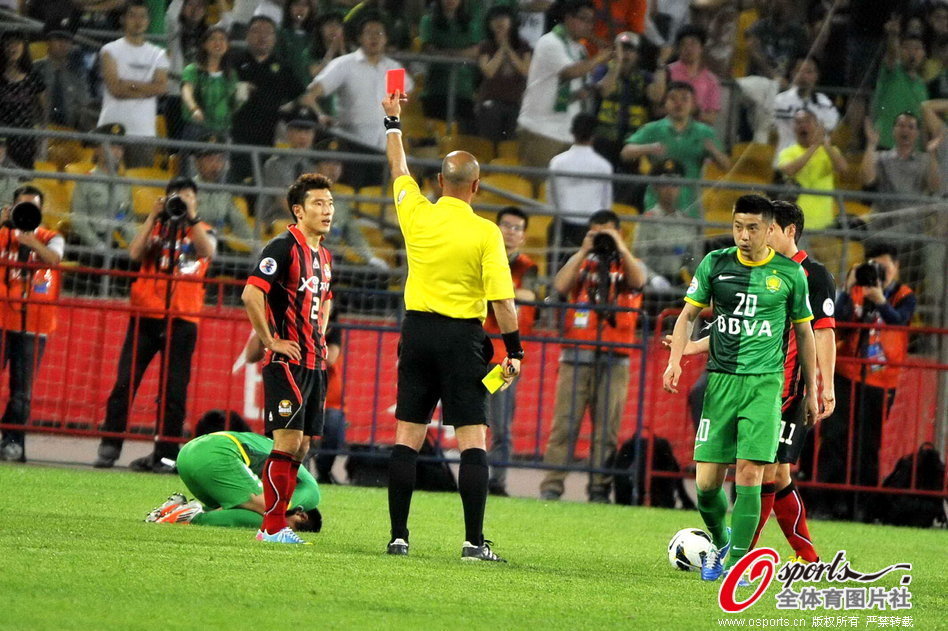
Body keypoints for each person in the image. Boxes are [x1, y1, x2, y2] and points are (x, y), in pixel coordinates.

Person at [381, 91, 522, 561]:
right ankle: (472, 542)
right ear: (476, 187)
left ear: (440, 181)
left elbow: (399, 170)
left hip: (417, 333)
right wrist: (514, 351)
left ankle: (399, 537)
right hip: (463, 340)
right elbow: (502, 303)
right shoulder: (486, 233)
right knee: (471, 440)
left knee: (407, 436)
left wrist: (392, 121)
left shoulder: (417, 213)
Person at [663, 194, 820, 583]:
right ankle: (722, 541)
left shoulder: (790, 274)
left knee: (751, 474)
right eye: (737, 226)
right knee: (706, 485)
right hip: (720, 383)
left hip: (765, 387)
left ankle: (737, 563)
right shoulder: (715, 264)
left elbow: (805, 332)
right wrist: (675, 360)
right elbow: (687, 317)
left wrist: (813, 390)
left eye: (752, 228)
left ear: (769, 229)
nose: (743, 235)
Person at [94, 177, 216, 472]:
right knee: (125, 381)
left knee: (174, 391)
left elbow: (207, 252)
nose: (181, 202)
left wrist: (192, 217)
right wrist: (152, 217)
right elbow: (133, 254)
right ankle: (110, 444)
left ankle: (166, 453)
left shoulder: (204, 230)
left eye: (188, 197)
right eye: (176, 197)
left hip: (183, 318)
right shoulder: (157, 227)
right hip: (146, 315)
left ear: (196, 202)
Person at [241, 173, 334, 545]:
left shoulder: (324, 255)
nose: (326, 211)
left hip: (314, 360)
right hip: (288, 362)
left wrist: (320, 333)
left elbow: (325, 299)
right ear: (298, 210)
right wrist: (270, 341)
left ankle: (276, 523)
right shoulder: (282, 247)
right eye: (317, 204)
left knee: (304, 444)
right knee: (287, 441)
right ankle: (272, 526)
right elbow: (251, 294)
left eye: (329, 204)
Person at [539, 209, 646, 503]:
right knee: (564, 424)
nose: (601, 239)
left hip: (616, 357)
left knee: (607, 430)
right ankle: (551, 486)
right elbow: (559, 287)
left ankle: (599, 488)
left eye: (607, 233)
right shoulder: (579, 261)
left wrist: (619, 246)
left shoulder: (630, 263)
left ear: (619, 232)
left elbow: (638, 282)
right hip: (576, 354)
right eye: (595, 232)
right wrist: (584, 250)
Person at [812, 243, 916, 522]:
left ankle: (862, 507)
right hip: (847, 373)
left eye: (884, 268)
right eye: (874, 267)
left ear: (897, 267)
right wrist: (847, 287)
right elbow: (838, 320)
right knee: (834, 437)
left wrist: (880, 299)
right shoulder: (855, 291)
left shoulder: (905, 296)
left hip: (882, 381)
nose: (878, 273)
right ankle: (825, 502)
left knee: (868, 444)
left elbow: (900, 322)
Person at [144, 430, 322, 533]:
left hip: (190, 453)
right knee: (269, 516)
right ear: (302, 515)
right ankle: (191, 517)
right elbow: (274, 507)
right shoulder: (311, 495)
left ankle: (173, 510)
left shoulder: (292, 480)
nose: (286, 530)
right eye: (291, 529)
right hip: (218, 454)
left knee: (247, 509)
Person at [0, 186, 64, 462]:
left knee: (22, 391)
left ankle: (13, 442)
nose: (27, 213)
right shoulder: (2, 234)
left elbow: (55, 259)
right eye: (22, 207)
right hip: (2, 321)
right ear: (12, 208)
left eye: (32, 208)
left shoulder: (52, 237)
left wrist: (32, 242)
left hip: (34, 325)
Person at [516, 0, 613, 170]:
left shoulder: (580, 50)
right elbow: (570, 72)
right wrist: (600, 56)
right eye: (583, 19)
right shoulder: (550, 42)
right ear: (568, 18)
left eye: (591, 21)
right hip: (541, 129)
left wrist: (585, 91)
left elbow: (576, 86)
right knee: (536, 190)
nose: (588, 26)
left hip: (569, 132)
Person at [483, 206, 538, 496]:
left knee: (501, 426)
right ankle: (476, 475)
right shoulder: (484, 256)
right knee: (472, 421)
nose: (511, 231)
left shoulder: (527, 266)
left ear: (524, 236)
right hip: (476, 351)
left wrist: (495, 291)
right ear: (497, 227)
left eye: (517, 227)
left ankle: (497, 481)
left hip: (504, 359)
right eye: (506, 225)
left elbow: (530, 296)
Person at [303, 16, 412, 162]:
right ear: (360, 38)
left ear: (386, 39)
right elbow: (310, 95)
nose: (374, 38)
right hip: (351, 145)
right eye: (369, 33)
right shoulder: (344, 64)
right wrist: (321, 115)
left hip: (384, 148)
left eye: (379, 33)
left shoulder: (394, 69)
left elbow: (399, 104)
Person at [621, 81, 731, 219]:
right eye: (673, 98)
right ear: (665, 102)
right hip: (655, 204)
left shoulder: (705, 132)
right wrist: (649, 148)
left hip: (690, 205)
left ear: (693, 104)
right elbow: (625, 153)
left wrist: (714, 151)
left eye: (684, 99)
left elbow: (727, 166)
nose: (678, 104)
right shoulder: (652, 129)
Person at [231, 15, 307, 185]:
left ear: (275, 38)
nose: (262, 36)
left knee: (263, 185)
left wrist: (291, 106)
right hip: (237, 136)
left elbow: (301, 95)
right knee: (238, 184)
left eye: (268, 32)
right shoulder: (233, 62)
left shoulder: (282, 67)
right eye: (256, 31)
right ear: (247, 35)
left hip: (269, 139)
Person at [97, 0, 170, 168]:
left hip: (142, 131)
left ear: (148, 21)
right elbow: (115, 89)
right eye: (132, 16)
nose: (138, 21)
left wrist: (129, 85)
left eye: (142, 16)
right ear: (123, 19)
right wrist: (147, 89)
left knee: (140, 187)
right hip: (111, 128)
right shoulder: (109, 50)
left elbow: (161, 87)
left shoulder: (158, 54)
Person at [547, 113, 614, 257]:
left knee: (558, 274)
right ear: (594, 135)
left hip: (563, 225)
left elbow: (551, 197)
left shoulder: (557, 162)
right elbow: (606, 203)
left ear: (572, 132)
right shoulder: (603, 166)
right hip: (591, 228)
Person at [593, 31, 662, 167]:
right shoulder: (602, 71)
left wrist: (661, 64)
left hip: (634, 142)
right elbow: (605, 91)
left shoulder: (646, 77)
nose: (624, 54)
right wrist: (616, 64)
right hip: (604, 140)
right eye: (621, 49)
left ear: (637, 55)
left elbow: (656, 97)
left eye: (629, 50)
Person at [776, 109, 848, 230]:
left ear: (817, 126)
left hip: (824, 222)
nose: (802, 126)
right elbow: (789, 170)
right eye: (798, 122)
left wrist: (825, 144)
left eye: (807, 121)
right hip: (796, 224)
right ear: (794, 128)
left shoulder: (830, 151)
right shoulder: (787, 152)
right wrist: (814, 146)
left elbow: (843, 168)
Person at [69, 123, 137, 254]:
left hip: (113, 243)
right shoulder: (86, 181)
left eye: (120, 148)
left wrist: (135, 244)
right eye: (112, 147)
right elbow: (79, 220)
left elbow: (127, 220)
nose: (117, 152)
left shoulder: (124, 184)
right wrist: (97, 245)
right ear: (97, 149)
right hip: (88, 246)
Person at [632, 158, 700, 287]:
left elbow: (694, 263)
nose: (670, 190)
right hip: (651, 283)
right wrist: (653, 278)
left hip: (677, 283)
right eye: (665, 184)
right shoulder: (646, 221)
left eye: (675, 184)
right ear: (656, 187)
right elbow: (638, 259)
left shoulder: (687, 223)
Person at [418, 0, 483, 130]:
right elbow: (429, 50)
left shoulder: (471, 24)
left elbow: (476, 51)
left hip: (464, 89)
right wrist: (460, 54)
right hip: (436, 89)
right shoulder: (428, 21)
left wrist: (446, 52)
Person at [860, 113, 941, 215]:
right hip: (883, 225)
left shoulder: (925, 160)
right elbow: (867, 179)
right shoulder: (881, 157)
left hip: (913, 225)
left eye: (911, 127)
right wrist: (871, 145)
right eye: (901, 126)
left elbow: (935, 186)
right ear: (893, 130)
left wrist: (932, 153)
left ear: (917, 133)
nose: (905, 130)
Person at [475, 5, 532, 142]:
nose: (499, 22)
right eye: (494, 19)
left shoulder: (523, 45)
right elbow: (489, 71)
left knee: (510, 146)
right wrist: (502, 49)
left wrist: (509, 50)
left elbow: (525, 70)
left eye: (503, 18)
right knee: (489, 144)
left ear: (512, 21)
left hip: (516, 103)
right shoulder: (486, 46)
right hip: (491, 102)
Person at [872, 18, 929, 150]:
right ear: (900, 50)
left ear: (924, 54)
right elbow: (891, 54)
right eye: (907, 48)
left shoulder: (922, 85)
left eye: (917, 49)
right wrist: (893, 35)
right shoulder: (892, 71)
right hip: (885, 144)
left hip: (912, 150)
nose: (912, 53)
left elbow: (923, 122)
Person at [259, 106, 319, 230]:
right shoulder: (274, 165)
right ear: (288, 133)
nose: (303, 137)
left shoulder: (314, 167)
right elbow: (283, 203)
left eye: (307, 132)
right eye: (298, 131)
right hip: (277, 224)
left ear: (313, 135)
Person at [191, 137, 254, 248]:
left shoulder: (224, 191)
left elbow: (239, 223)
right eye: (210, 160)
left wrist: (257, 248)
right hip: (194, 244)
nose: (215, 165)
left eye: (219, 160)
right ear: (197, 163)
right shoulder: (189, 189)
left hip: (218, 245)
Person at [773, 57, 841, 158]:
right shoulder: (779, 101)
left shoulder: (824, 103)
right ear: (792, 74)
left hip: (815, 162)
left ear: (816, 76)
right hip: (785, 161)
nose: (803, 76)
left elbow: (830, 129)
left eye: (809, 72)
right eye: (798, 71)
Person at [180, 26, 238, 141]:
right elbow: (186, 91)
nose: (218, 43)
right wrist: (194, 109)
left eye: (222, 39)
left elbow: (233, 102)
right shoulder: (192, 70)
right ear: (204, 44)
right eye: (213, 39)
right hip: (197, 128)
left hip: (223, 130)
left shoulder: (231, 74)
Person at [0, 30, 46, 170]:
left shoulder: (34, 77)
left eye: (16, 43)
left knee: (23, 184)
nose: (12, 48)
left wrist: (43, 143)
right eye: (8, 44)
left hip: (26, 140)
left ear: (24, 47)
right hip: (2, 139)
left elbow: (44, 110)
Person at [34, 27, 94, 131]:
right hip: (39, 128)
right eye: (58, 40)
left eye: (67, 41)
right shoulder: (35, 68)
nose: (62, 44)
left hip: (69, 131)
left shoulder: (77, 73)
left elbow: (83, 104)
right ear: (48, 42)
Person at [664, 25, 720, 126]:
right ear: (678, 49)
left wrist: (695, 112)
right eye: (684, 45)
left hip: (696, 133)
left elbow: (712, 118)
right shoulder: (667, 71)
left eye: (693, 44)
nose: (688, 48)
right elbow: (657, 110)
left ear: (702, 48)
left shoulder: (711, 80)